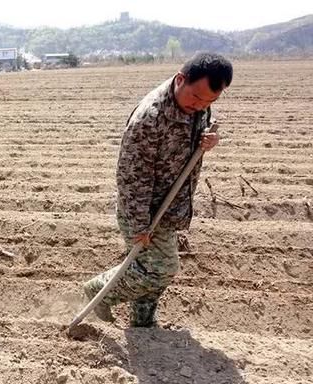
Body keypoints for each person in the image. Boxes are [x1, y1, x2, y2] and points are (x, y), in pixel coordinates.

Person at [83, 52, 233, 327]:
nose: (200, 106)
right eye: (196, 98)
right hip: (143, 210)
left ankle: (143, 324)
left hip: (170, 204)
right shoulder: (149, 119)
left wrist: (207, 142)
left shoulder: (197, 105)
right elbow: (130, 179)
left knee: (153, 268)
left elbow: (190, 138)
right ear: (180, 79)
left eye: (209, 102)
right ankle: (98, 291)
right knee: (160, 269)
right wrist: (140, 224)